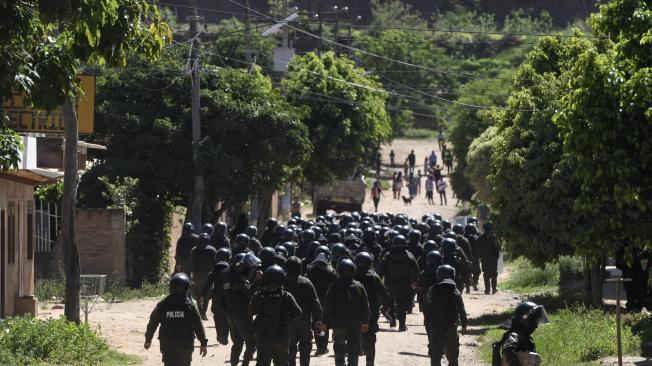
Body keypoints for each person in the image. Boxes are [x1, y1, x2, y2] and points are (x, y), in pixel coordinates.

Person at [144, 273, 208, 366]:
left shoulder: (162, 305)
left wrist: (148, 339)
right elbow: (198, 325)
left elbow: (152, 323)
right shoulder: (190, 306)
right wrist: (203, 343)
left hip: (168, 344)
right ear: (187, 288)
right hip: (185, 345)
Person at [249, 265, 302, 366]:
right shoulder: (286, 296)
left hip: (263, 336)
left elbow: (251, 312)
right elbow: (298, 313)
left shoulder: (259, 295)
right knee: (282, 363)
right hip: (281, 336)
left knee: (262, 363)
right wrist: (287, 319)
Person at [325, 258, 370, 366]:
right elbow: (366, 305)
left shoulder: (334, 286)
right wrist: (366, 321)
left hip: (339, 323)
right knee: (353, 348)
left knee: (339, 347)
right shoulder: (359, 286)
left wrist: (326, 321)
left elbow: (328, 306)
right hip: (355, 323)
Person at [424, 265, 467, 366]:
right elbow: (461, 309)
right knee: (453, 354)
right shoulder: (455, 291)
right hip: (451, 325)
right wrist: (464, 324)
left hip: (436, 325)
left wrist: (427, 321)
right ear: (452, 275)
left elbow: (427, 306)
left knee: (435, 353)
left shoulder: (433, 289)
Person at [224, 253, 262, 366]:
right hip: (242, 314)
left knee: (238, 342)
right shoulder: (241, 279)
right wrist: (258, 281)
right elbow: (250, 294)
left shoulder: (228, 276)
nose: (249, 269)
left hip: (231, 313)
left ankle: (234, 364)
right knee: (252, 342)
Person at [284, 257, 323, 366]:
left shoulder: (282, 281)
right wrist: (318, 318)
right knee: (305, 346)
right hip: (305, 320)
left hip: (287, 321)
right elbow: (315, 301)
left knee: (289, 346)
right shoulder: (306, 282)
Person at [378, 235, 419, 331]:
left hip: (390, 282)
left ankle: (393, 320)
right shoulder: (408, 255)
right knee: (401, 303)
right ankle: (402, 324)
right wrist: (415, 281)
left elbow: (381, 269)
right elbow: (415, 269)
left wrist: (379, 281)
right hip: (404, 283)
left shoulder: (388, 255)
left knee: (391, 301)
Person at [354, 252, 387, 366]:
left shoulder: (352, 276)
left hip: (354, 312)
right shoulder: (374, 276)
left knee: (353, 338)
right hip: (372, 313)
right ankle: (370, 362)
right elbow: (384, 294)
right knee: (370, 339)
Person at [306, 253, 337, 355]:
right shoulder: (331, 271)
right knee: (325, 323)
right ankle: (323, 346)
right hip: (328, 301)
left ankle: (320, 347)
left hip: (315, 300)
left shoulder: (311, 271)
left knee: (317, 322)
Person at [200, 247, 232, 345]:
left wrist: (202, 295)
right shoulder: (230, 269)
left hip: (216, 297)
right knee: (226, 317)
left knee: (217, 317)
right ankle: (224, 337)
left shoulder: (214, 270)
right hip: (228, 297)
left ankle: (219, 335)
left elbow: (208, 284)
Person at [189, 233, 218, 320]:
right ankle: (203, 312)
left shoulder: (195, 250)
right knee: (206, 295)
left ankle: (200, 311)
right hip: (207, 276)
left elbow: (190, 263)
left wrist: (191, 274)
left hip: (196, 276)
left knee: (198, 295)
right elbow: (215, 263)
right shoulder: (212, 250)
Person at [478, 221, 500, 294]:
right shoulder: (495, 238)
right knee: (494, 274)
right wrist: (497, 256)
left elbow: (479, 249)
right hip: (493, 258)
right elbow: (498, 248)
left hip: (484, 259)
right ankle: (494, 289)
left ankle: (487, 289)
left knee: (486, 274)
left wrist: (481, 256)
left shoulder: (480, 238)